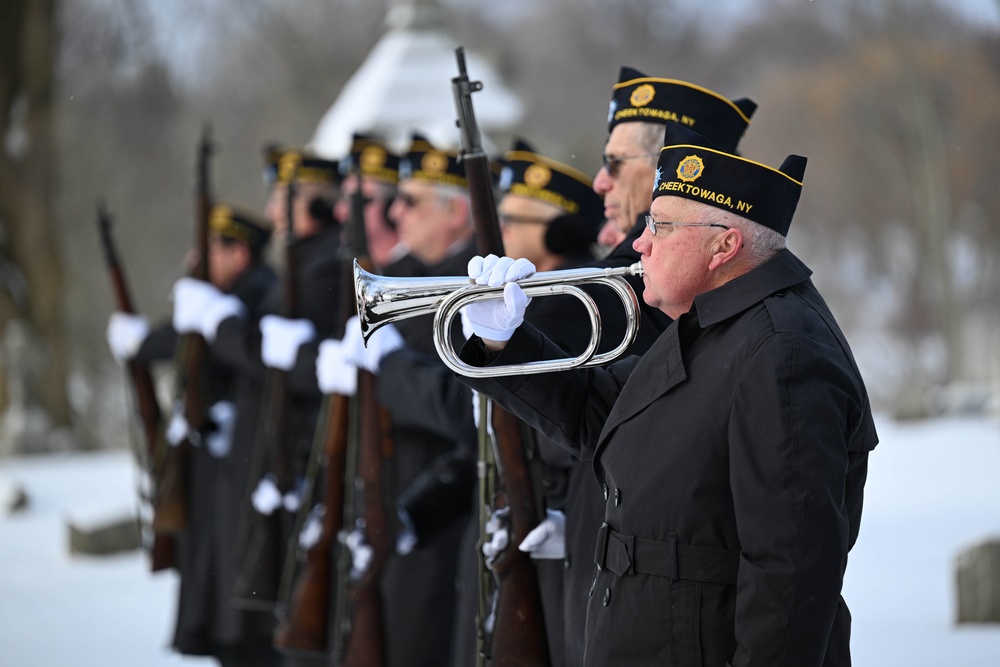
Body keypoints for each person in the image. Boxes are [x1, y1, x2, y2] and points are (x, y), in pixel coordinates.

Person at [457, 128, 879, 666]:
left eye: (661, 226)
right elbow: (598, 413)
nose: (640, 242)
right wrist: (503, 340)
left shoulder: (783, 352)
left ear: (724, 245)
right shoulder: (715, 324)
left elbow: (791, 574)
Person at [106, 202, 280, 666]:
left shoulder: (256, 293)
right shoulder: (234, 292)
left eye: (209, 248)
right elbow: (188, 337)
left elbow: (208, 339)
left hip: (243, 467)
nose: (192, 259)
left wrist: (144, 343)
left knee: (243, 620)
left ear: (239, 254)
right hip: (221, 470)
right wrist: (142, 340)